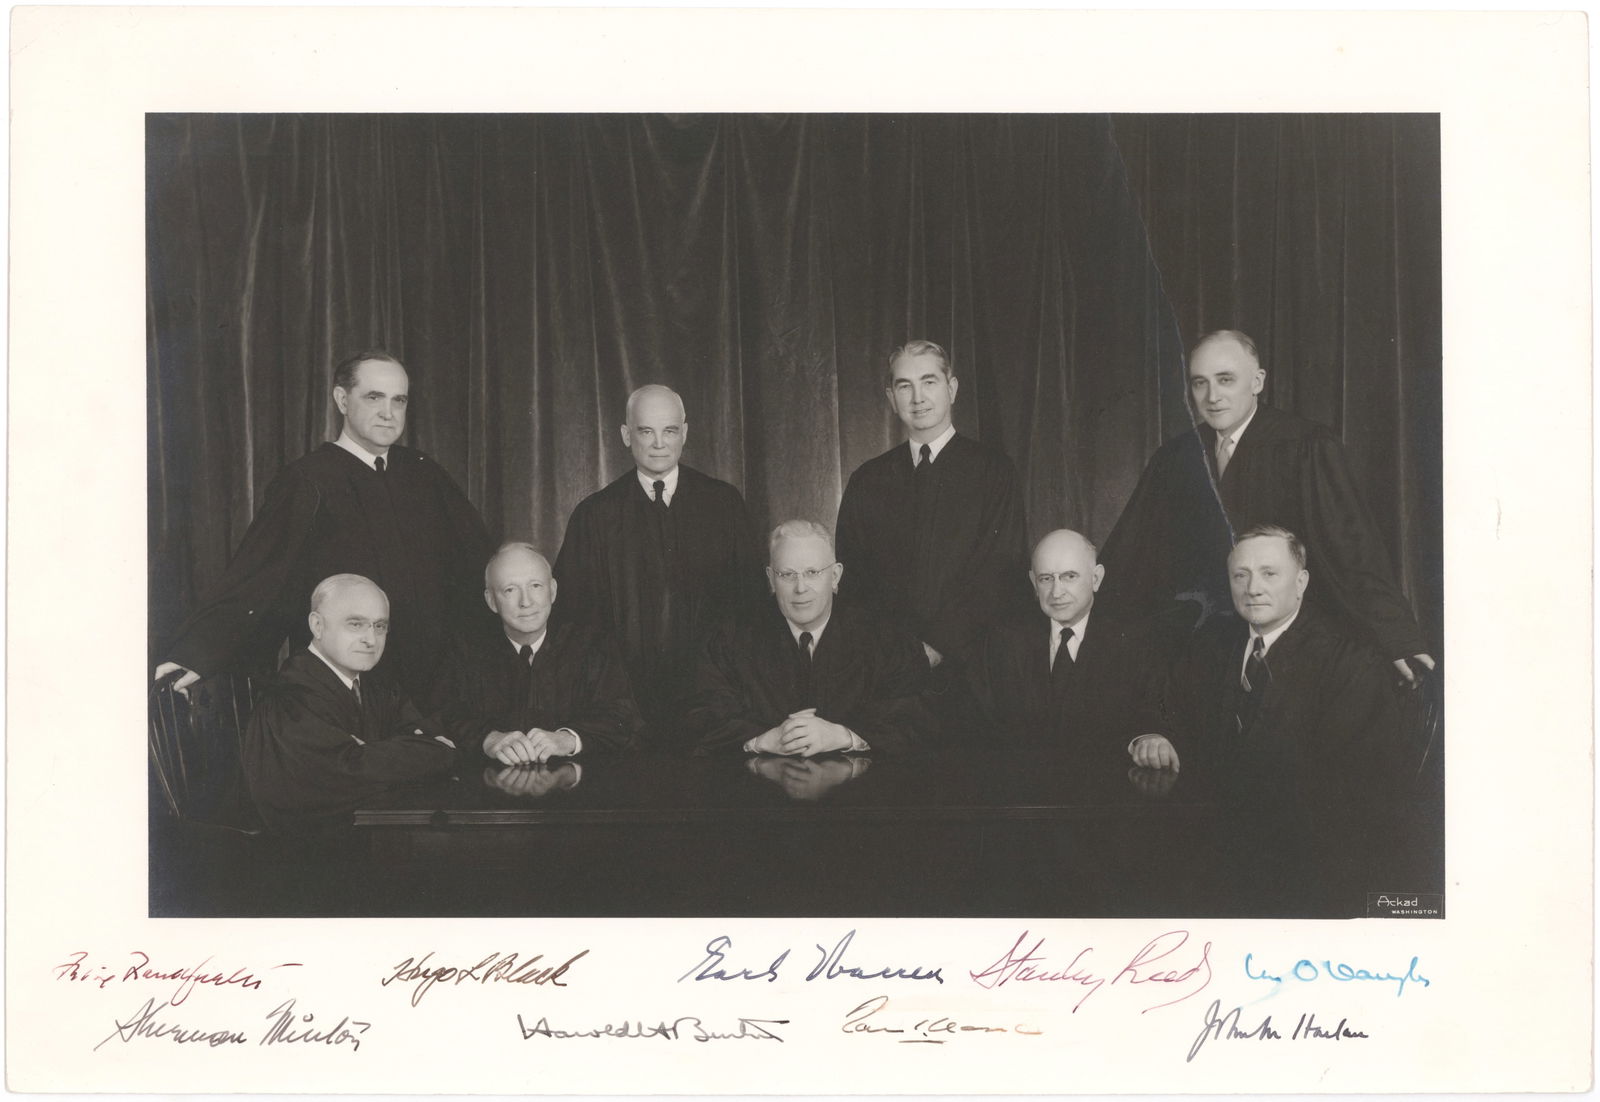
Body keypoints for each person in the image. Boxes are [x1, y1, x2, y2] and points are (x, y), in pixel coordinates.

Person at [154, 351, 494, 701]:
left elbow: (479, 566)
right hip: (347, 692)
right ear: (342, 400)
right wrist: (197, 652)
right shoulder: (308, 480)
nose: (388, 413)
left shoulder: (424, 474)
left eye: (399, 400)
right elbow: (257, 577)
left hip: (433, 686)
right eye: (374, 397)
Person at [1098, 329, 1434, 682]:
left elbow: (1353, 550)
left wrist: (1396, 634)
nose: (1212, 397)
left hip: (1292, 644)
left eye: (1225, 380)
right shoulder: (1174, 458)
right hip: (1201, 647)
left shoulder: (1307, 446)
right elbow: (1130, 553)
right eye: (1200, 383)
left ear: (1257, 381)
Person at [1129, 525, 1425, 917]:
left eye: (1270, 574)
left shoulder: (1350, 660)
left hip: (1309, 873)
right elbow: (1163, 703)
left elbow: (1358, 795)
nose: (1253, 588)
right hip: (1211, 856)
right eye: (1241, 575)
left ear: (1301, 581)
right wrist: (1154, 734)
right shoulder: (1213, 641)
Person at [554, 384, 758, 737]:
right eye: (646, 431)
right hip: (625, 708)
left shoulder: (722, 505)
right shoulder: (595, 515)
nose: (659, 443)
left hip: (712, 707)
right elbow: (575, 619)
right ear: (626, 435)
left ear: (685, 433)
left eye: (670, 430)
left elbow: (750, 606)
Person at [834, 339, 1030, 675]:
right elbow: (854, 582)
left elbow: (999, 573)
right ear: (891, 398)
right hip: (889, 671)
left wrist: (935, 649)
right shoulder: (867, 480)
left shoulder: (995, 472)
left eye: (929, 382)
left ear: (951, 389)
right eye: (904, 386)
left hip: (974, 667)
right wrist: (893, 656)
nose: (918, 397)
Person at [685, 520, 931, 756]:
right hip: (761, 790)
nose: (800, 588)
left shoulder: (884, 637)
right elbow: (702, 715)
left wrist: (842, 736)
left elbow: (916, 718)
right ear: (771, 578)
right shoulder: (730, 639)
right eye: (787, 575)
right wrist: (763, 740)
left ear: (835, 576)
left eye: (812, 572)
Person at [242, 574, 457, 830]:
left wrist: (374, 754)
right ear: (317, 626)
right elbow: (349, 775)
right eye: (356, 624)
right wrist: (406, 753)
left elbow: (438, 744)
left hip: (369, 834)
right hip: (299, 852)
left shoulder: (376, 687)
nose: (371, 639)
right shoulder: (290, 697)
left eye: (380, 626)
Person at [429, 543, 641, 762]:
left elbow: (623, 718)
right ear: (491, 600)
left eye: (536, 586)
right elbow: (441, 715)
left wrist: (568, 739)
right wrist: (487, 739)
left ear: (553, 591)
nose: (526, 602)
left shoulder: (593, 647)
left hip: (579, 786)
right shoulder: (464, 653)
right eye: (510, 590)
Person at [961, 529, 1163, 751]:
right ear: (1033, 583)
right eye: (1046, 579)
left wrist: (1148, 738)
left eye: (1069, 576)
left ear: (1096, 578)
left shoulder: (1134, 642)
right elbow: (978, 728)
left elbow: (1152, 711)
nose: (1056, 592)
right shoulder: (1003, 641)